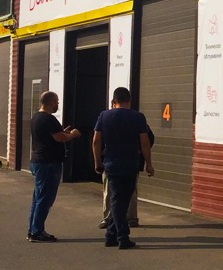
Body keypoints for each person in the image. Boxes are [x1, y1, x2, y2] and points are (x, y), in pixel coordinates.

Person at [93, 87, 154, 250]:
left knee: (118, 200)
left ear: (114, 101)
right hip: (130, 164)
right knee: (122, 200)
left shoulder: (104, 116)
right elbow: (145, 142)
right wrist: (149, 164)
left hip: (111, 164)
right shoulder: (138, 117)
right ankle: (123, 237)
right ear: (129, 101)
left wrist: (97, 162)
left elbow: (96, 141)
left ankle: (111, 235)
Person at [27, 91, 81, 242]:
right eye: (56, 102)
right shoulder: (48, 119)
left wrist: (63, 132)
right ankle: (37, 232)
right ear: (51, 102)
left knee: (38, 198)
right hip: (48, 163)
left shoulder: (36, 117)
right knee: (45, 198)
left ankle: (33, 230)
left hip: (38, 161)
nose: (58, 104)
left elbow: (52, 135)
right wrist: (73, 134)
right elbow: (60, 138)